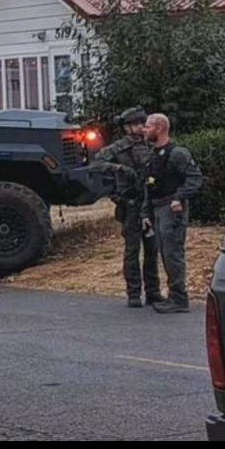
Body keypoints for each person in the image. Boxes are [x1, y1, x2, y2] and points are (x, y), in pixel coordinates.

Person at [93, 106, 159, 307]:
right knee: (132, 250)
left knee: (152, 250)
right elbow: (97, 163)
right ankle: (133, 294)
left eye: (143, 123)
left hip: (149, 204)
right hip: (130, 205)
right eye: (136, 124)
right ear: (127, 127)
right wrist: (119, 168)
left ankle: (153, 292)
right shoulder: (118, 148)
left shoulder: (151, 145)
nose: (141, 127)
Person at [142, 114, 203, 313]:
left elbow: (194, 179)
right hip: (157, 209)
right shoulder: (153, 154)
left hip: (171, 209)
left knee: (173, 254)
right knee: (165, 254)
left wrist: (179, 197)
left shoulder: (177, 153)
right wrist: (146, 213)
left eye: (148, 126)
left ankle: (179, 298)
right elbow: (149, 186)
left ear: (160, 128)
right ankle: (172, 296)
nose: (144, 129)